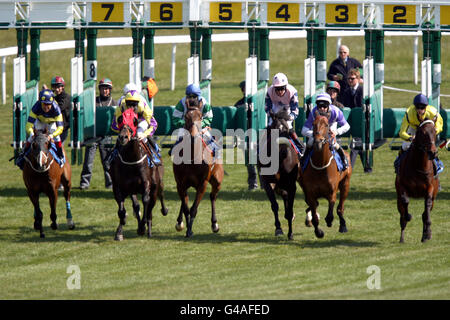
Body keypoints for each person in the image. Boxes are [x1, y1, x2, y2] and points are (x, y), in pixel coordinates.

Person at [79, 78, 117, 190]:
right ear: (99, 89)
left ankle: (110, 183)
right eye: (103, 88)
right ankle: (84, 183)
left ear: (110, 90)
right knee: (88, 162)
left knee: (107, 162)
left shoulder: (113, 103)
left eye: (107, 89)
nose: (105, 91)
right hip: (93, 136)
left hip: (106, 136)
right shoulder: (93, 102)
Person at [17, 89, 65, 169]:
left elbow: (60, 128)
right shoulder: (36, 107)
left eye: (48, 104)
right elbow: (28, 125)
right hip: (40, 122)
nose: (46, 107)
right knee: (31, 138)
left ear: (52, 103)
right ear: (40, 102)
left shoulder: (56, 109)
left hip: (51, 123)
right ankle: (23, 154)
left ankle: (60, 156)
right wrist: (32, 134)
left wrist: (52, 136)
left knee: (57, 138)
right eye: (44, 104)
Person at [396, 93, 444, 174]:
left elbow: (440, 125)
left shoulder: (433, 112)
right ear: (414, 107)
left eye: (422, 107)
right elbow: (402, 132)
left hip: (427, 130)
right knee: (405, 146)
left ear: (426, 107)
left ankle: (437, 163)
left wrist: (435, 130)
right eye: (417, 107)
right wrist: (410, 138)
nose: (420, 110)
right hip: (414, 129)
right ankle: (399, 163)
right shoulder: (409, 113)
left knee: (431, 146)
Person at [301, 93, 350, 170]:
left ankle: (343, 159)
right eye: (320, 106)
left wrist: (336, 132)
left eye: (324, 106)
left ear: (329, 105)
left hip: (331, 126)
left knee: (333, 143)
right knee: (310, 142)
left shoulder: (336, 112)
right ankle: (304, 160)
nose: (322, 109)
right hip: (318, 129)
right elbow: (303, 130)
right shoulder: (313, 112)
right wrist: (315, 135)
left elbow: (347, 126)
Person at [170, 84, 217, 157]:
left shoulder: (204, 104)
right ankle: (175, 152)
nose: (192, 98)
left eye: (194, 96)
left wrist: (200, 124)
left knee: (208, 136)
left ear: (198, 96)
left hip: (201, 126)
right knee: (180, 137)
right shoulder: (182, 103)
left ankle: (214, 152)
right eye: (189, 96)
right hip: (185, 127)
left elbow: (209, 117)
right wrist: (185, 124)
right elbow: (175, 118)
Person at [265, 72, 304, 155]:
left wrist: (290, 117)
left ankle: (300, 146)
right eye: (277, 89)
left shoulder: (292, 91)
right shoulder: (269, 91)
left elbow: (295, 110)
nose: (279, 91)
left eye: (282, 88)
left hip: (288, 108)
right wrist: (271, 114)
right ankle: (260, 147)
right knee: (270, 124)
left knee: (288, 126)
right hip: (275, 108)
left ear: (286, 86)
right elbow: (267, 107)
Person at [339, 69, 369, 172]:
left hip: (361, 122)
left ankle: (349, 168)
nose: (350, 80)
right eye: (348, 79)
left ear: (358, 79)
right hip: (350, 121)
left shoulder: (362, 90)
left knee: (355, 145)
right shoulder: (347, 91)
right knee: (358, 145)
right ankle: (367, 167)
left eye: (352, 78)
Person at [235, 81, 259, 190]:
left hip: (258, 135)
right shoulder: (239, 104)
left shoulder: (258, 102)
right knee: (249, 161)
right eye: (244, 88)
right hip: (245, 136)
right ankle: (252, 183)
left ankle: (264, 183)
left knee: (261, 160)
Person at [50, 76, 71, 144]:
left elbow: (59, 108)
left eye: (58, 87)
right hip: (54, 127)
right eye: (55, 87)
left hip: (63, 129)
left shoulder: (66, 98)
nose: (56, 89)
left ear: (62, 87)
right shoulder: (55, 98)